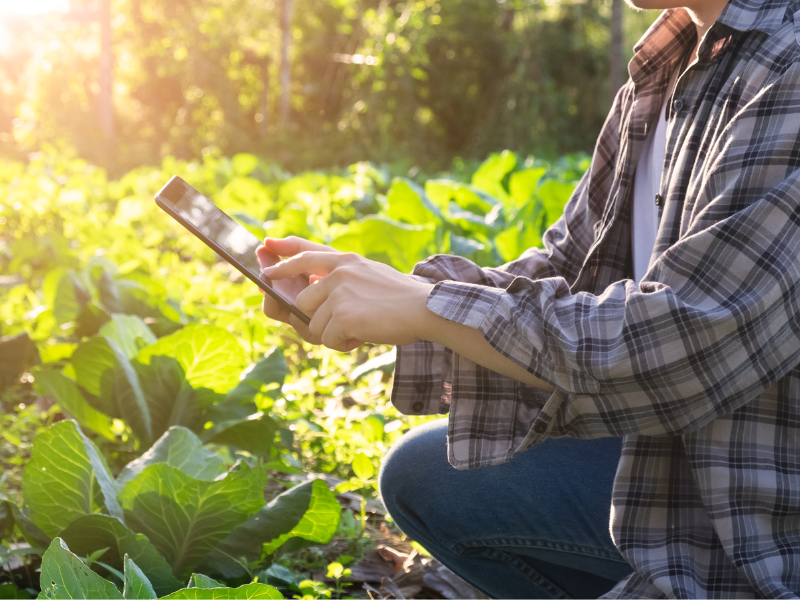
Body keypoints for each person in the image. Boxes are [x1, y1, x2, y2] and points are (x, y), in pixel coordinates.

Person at [255, 0, 800, 595]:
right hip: (666, 460)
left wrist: (426, 307)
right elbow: (572, 264)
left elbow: (688, 339)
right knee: (424, 474)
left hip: (756, 516)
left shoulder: (789, 65)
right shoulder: (667, 57)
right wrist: (393, 293)